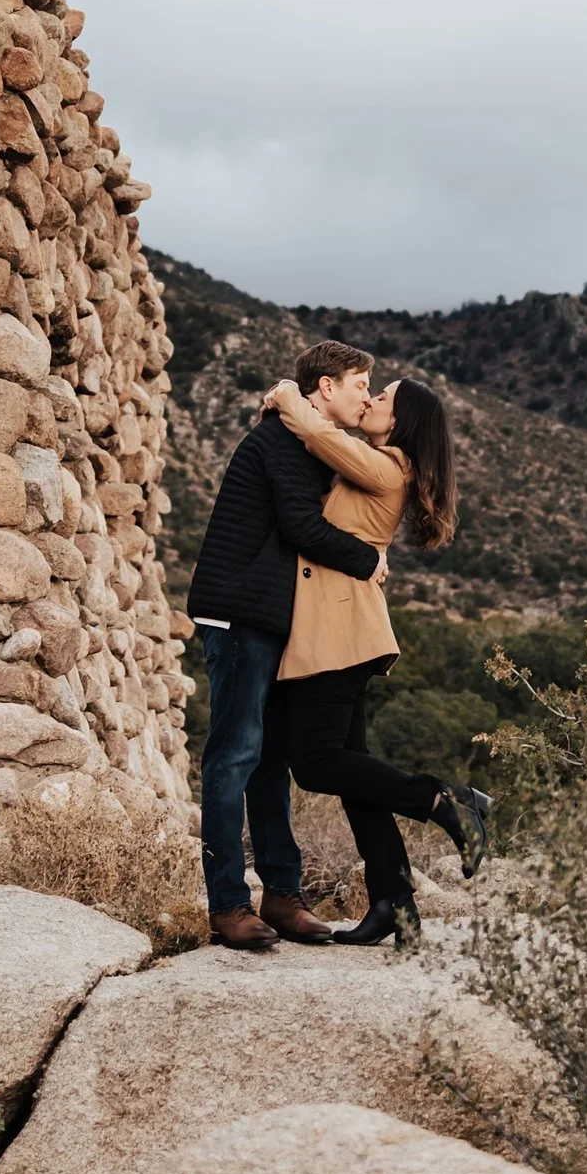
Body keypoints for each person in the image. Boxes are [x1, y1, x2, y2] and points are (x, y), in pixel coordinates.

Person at [265, 373, 492, 949]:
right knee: (352, 770)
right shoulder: (382, 464)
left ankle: (445, 802)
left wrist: (290, 394)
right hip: (338, 627)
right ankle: (397, 904)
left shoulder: (389, 465)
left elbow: (322, 438)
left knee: (316, 764)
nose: (369, 400)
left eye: (382, 396)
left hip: (341, 629)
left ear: (400, 421)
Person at [186, 340, 389, 950]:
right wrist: (367, 560)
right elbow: (303, 525)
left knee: (270, 761)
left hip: (271, 620)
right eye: (359, 385)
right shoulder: (283, 442)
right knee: (235, 756)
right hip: (239, 614)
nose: (364, 396)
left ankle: (280, 896)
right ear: (326, 388)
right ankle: (227, 905)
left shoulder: (302, 440)